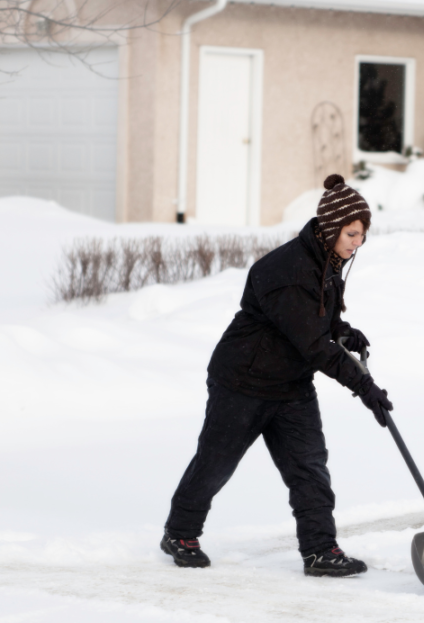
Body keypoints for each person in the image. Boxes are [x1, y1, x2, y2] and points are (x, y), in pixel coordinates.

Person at [161, 174, 393, 577]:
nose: (358, 242)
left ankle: (320, 550)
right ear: (330, 226)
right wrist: (364, 386)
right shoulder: (287, 270)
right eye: (352, 233)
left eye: (362, 234)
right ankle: (180, 532)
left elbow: (316, 321)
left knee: (309, 467)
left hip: (291, 385)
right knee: (217, 462)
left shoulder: (327, 261)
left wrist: (341, 329)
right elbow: (313, 344)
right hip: (243, 382)